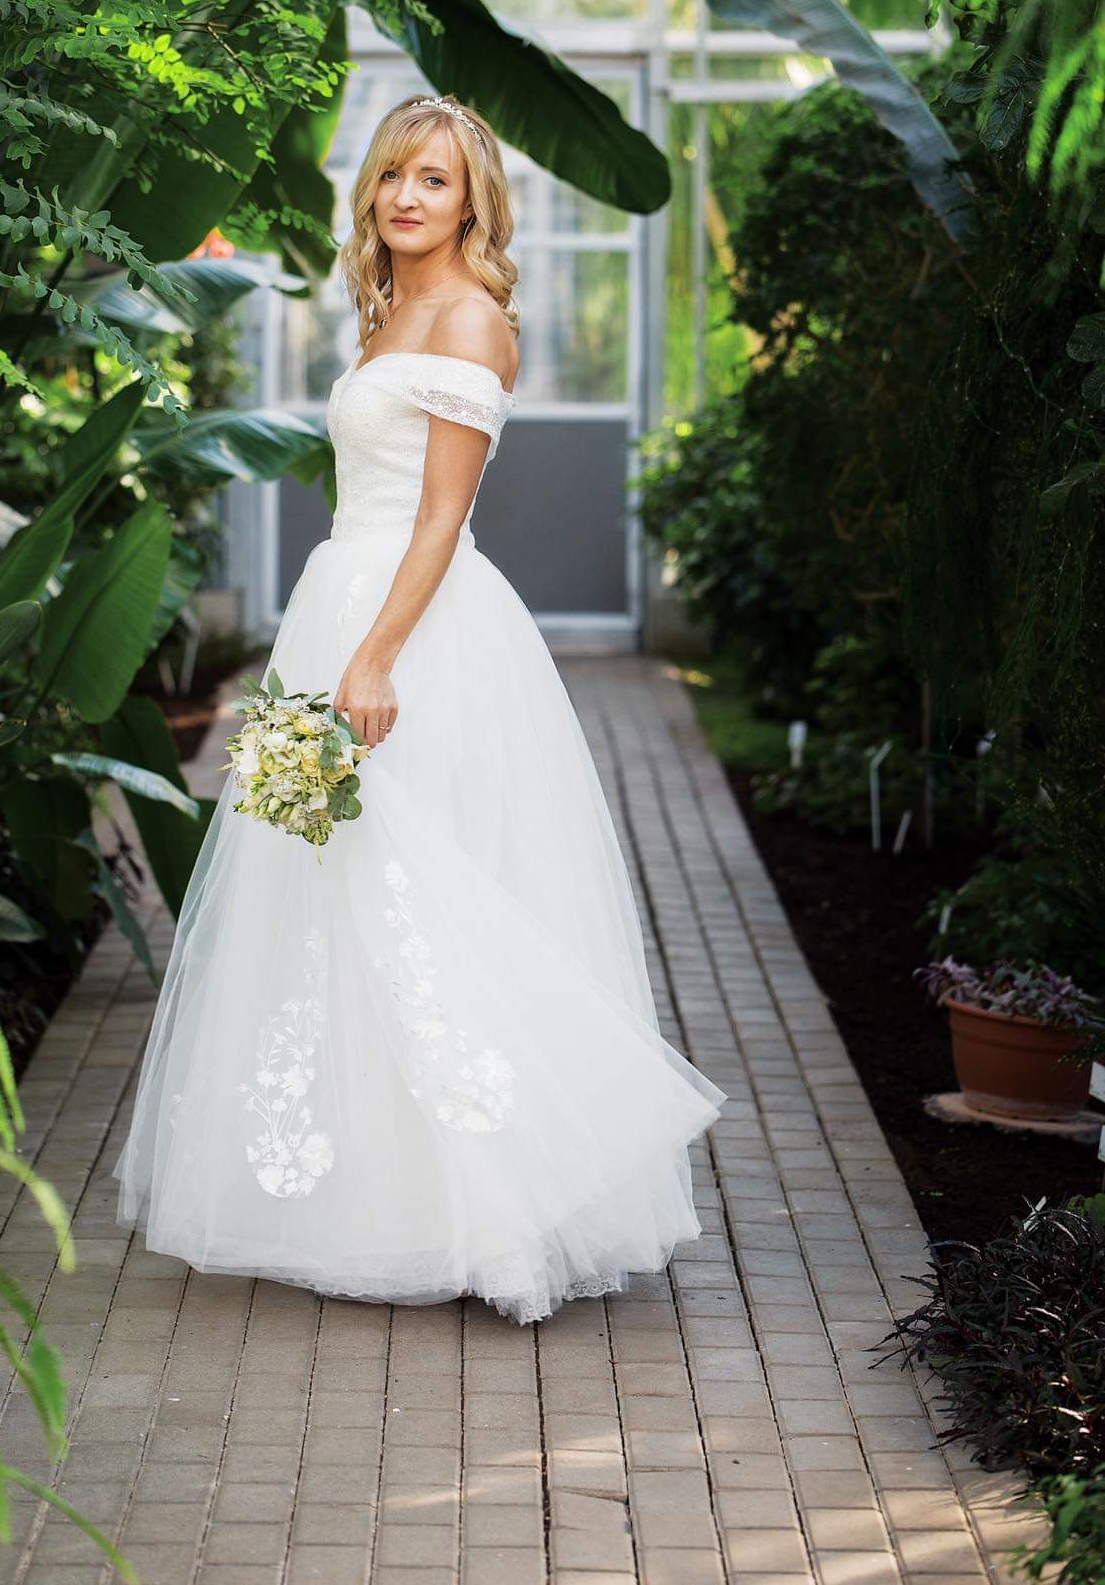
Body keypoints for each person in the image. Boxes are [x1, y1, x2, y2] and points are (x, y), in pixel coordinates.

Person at [113, 93, 727, 1325]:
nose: (406, 196)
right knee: (334, 889)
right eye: (393, 173)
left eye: (435, 180)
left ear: (473, 201)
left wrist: (377, 656)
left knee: (415, 888)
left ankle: (502, 1196)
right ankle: (377, 1193)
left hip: (409, 627)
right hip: (342, 602)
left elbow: (442, 514)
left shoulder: (469, 318)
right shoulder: (391, 310)